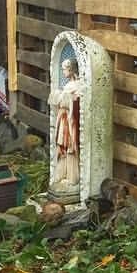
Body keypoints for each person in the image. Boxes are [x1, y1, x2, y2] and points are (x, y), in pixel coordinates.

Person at [49, 56, 81, 195]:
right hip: (62, 119)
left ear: (71, 69)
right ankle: (63, 174)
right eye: (61, 69)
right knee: (62, 146)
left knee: (70, 146)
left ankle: (72, 176)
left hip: (70, 120)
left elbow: (76, 102)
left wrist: (67, 99)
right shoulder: (68, 85)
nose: (63, 72)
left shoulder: (78, 85)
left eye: (65, 69)